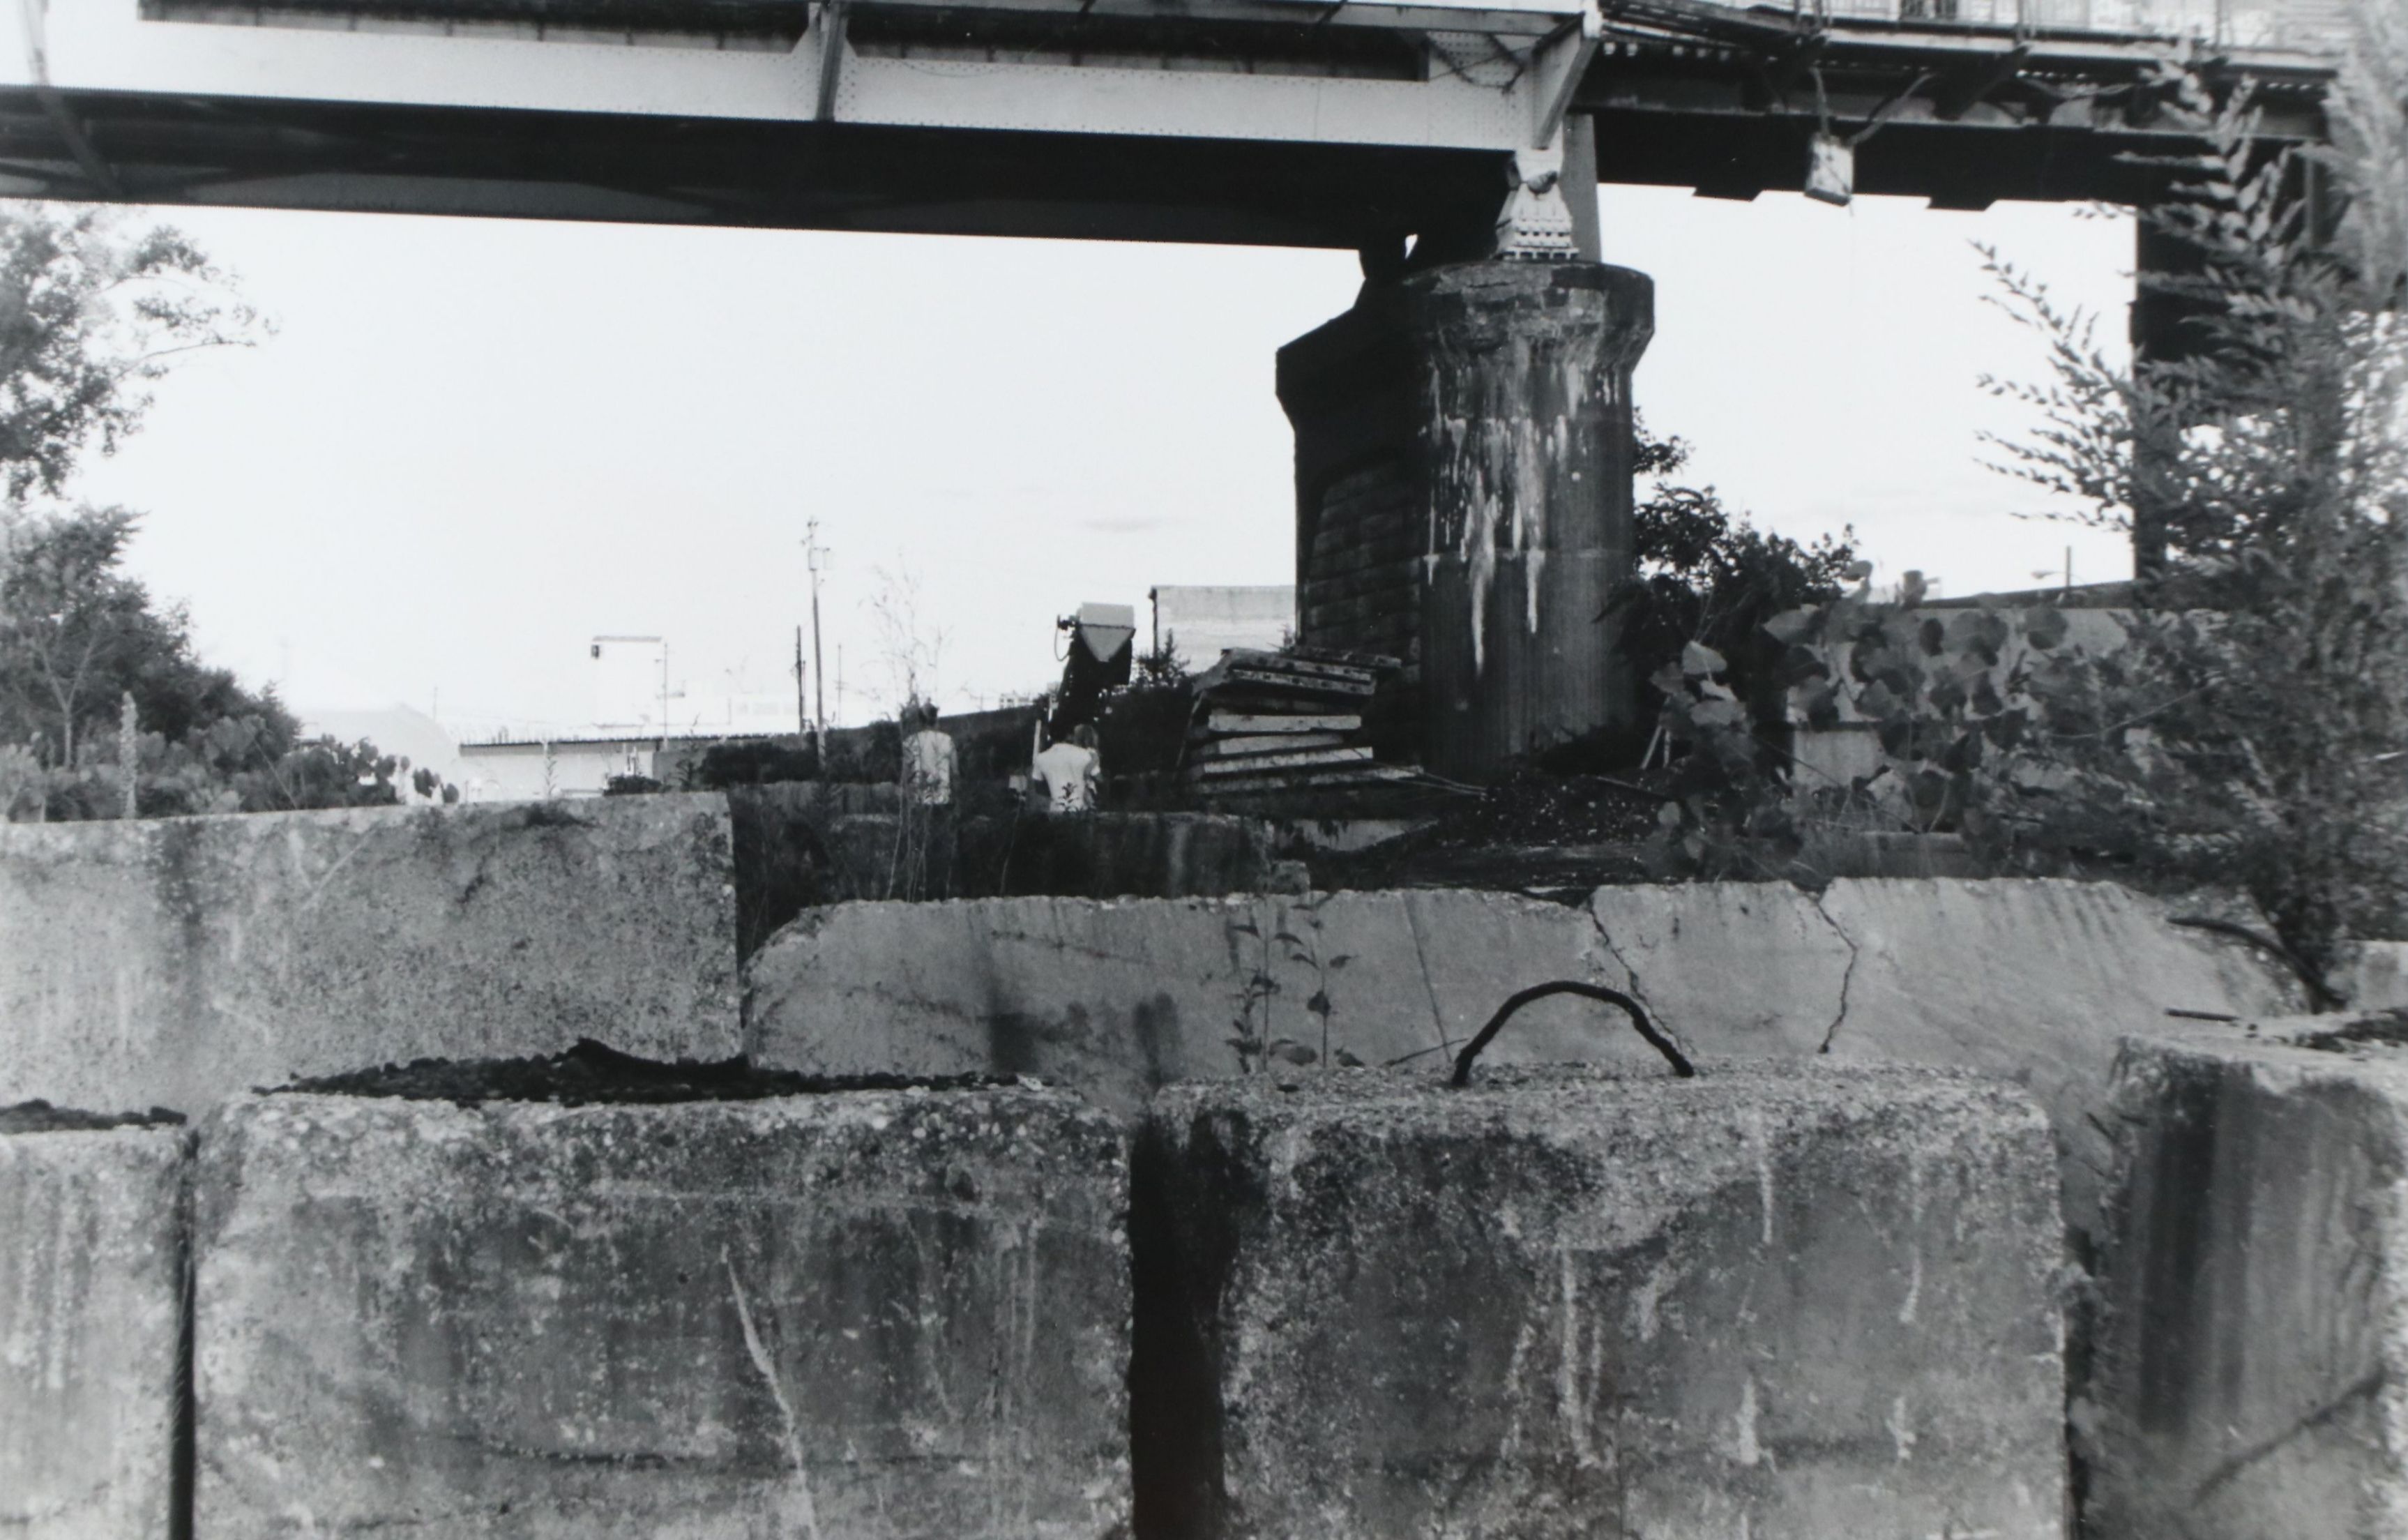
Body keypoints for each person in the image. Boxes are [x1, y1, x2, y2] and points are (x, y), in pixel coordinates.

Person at [899, 703, 957, 897]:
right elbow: (955, 773)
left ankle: (920, 888)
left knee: (920, 846)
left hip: (919, 801)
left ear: (921, 721)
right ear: (936, 719)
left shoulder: (910, 742)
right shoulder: (947, 740)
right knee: (941, 846)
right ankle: (940, 889)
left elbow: (906, 776)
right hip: (943, 800)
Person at [1031, 723, 1101, 814]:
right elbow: (1099, 780)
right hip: (1082, 812)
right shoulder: (1086, 755)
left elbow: (1039, 789)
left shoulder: (1041, 758)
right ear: (1070, 736)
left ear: (1050, 735)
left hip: (1056, 812)